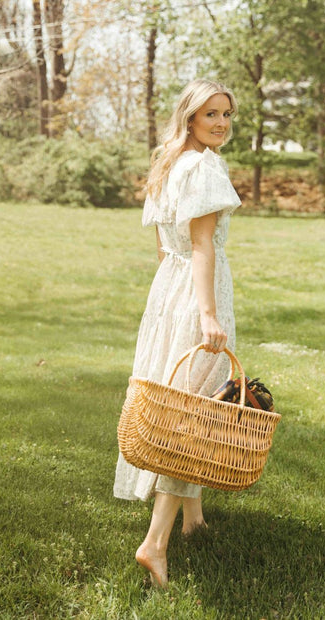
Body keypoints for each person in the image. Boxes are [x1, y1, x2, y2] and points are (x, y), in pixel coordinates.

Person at [113, 78, 242, 587]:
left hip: (170, 288)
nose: (222, 124)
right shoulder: (205, 166)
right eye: (212, 115)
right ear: (189, 116)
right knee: (191, 418)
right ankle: (155, 544)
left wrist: (173, 299)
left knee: (185, 401)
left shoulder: (171, 160)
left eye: (228, 115)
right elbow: (203, 245)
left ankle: (193, 518)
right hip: (198, 290)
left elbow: (166, 249)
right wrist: (208, 314)